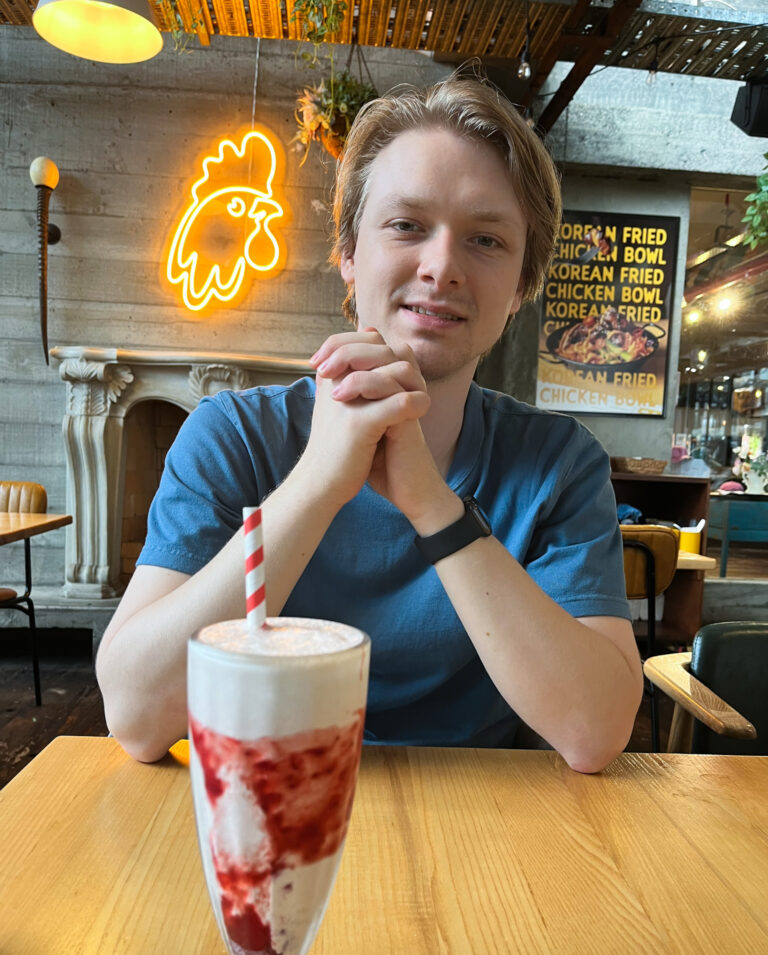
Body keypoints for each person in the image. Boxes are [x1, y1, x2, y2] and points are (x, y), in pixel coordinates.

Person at [96, 72, 642, 772]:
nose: (442, 266)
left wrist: (432, 505)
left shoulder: (559, 464)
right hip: (266, 810)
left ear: (520, 290)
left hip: (482, 831)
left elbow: (595, 732)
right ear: (350, 256)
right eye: (406, 226)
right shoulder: (233, 436)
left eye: (486, 240)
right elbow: (137, 717)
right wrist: (320, 481)